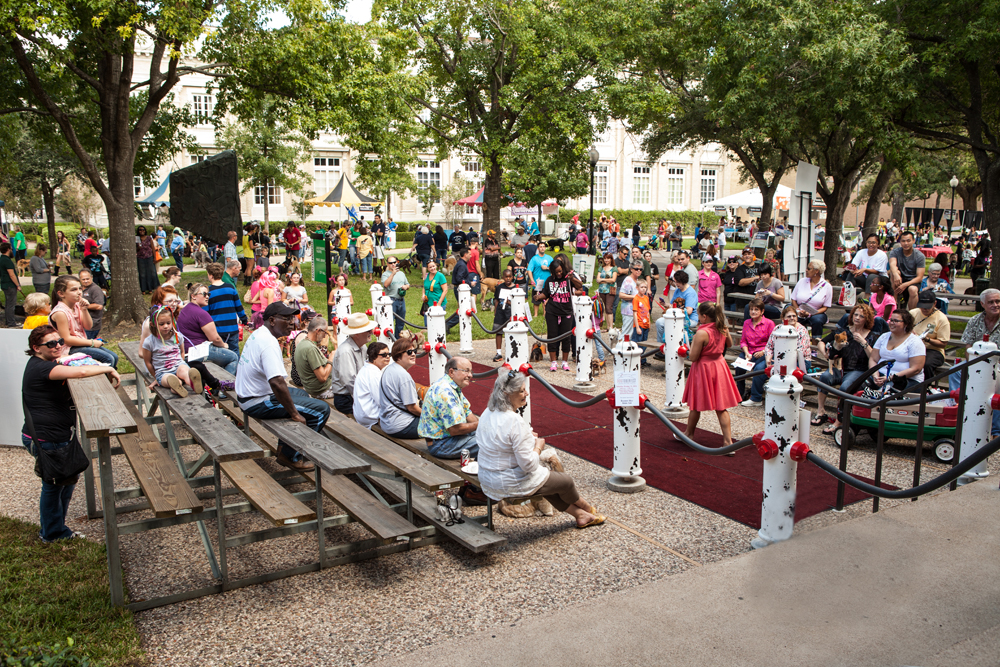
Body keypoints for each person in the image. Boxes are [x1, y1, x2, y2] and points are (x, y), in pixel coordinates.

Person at [22, 325, 121, 542]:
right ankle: (52, 533)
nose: (58, 346)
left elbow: (76, 366)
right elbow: (82, 371)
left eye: (60, 341)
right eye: (51, 344)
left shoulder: (47, 362)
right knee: (54, 485)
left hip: (55, 436)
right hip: (46, 439)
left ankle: (56, 528)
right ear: (36, 348)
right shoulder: (41, 368)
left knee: (65, 481)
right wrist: (107, 368)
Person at [477, 371, 605, 528]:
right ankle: (587, 508)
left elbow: (502, 442)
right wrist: (538, 446)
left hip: (486, 475)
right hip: (506, 480)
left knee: (548, 483)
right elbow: (528, 465)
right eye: (522, 391)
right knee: (565, 482)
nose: (527, 393)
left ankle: (581, 515)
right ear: (506, 393)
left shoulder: (488, 412)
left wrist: (526, 438)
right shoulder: (514, 421)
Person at [236, 302, 329, 472]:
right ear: (272, 320)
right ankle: (291, 457)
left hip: (249, 395)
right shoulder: (268, 344)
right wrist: (294, 414)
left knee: (302, 396)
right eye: (286, 319)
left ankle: (285, 448)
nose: (293, 323)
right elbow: (277, 383)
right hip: (256, 401)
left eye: (293, 318)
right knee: (321, 410)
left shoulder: (259, 334)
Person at [813, 303, 879, 432]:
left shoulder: (872, 336)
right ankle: (821, 411)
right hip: (841, 368)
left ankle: (839, 419)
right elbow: (822, 341)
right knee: (825, 377)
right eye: (856, 314)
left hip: (859, 370)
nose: (857, 318)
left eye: (862, 316)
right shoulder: (844, 332)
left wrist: (863, 343)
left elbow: (874, 357)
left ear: (867, 319)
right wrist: (826, 354)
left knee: (845, 387)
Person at [683, 302, 740, 447]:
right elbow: (730, 344)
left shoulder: (702, 333)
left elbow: (693, 357)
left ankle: (689, 434)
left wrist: (688, 350)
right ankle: (728, 441)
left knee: (695, 404)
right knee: (721, 407)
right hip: (719, 366)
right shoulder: (722, 328)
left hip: (703, 368)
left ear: (704, 316)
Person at [743, 305, 811, 407]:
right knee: (759, 368)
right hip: (779, 357)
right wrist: (768, 358)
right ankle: (755, 398)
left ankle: (787, 401)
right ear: (783, 318)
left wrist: (779, 362)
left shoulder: (802, 330)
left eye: (794, 316)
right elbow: (769, 346)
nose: (792, 318)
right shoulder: (778, 328)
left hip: (799, 359)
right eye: (789, 316)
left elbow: (799, 351)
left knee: (786, 372)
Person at [48, 275, 118, 367]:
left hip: (80, 343)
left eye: (80, 289)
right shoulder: (60, 313)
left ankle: (108, 378)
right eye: (74, 290)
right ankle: (101, 379)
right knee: (108, 358)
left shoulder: (76, 305)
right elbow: (66, 339)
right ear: (61, 294)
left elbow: (88, 326)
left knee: (114, 357)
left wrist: (84, 310)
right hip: (68, 348)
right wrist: (92, 342)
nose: (79, 292)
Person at [418, 356, 479, 458]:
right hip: (441, 444)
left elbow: (467, 413)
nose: (470, 375)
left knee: (490, 437)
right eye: (466, 371)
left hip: (448, 439)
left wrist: (483, 428)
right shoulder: (445, 391)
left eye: (471, 372)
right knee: (489, 443)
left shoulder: (452, 386)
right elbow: (455, 429)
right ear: (451, 372)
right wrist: (483, 424)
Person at [177, 282, 241, 375]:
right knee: (233, 357)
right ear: (193, 296)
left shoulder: (185, 309)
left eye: (208, 294)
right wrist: (224, 345)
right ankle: (223, 386)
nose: (207, 297)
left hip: (186, 352)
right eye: (204, 294)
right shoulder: (201, 313)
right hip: (198, 352)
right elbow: (215, 338)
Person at [142, 306, 202, 397]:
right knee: (170, 379)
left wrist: (181, 364)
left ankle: (193, 383)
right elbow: (148, 362)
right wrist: (155, 378)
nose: (166, 326)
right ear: (153, 324)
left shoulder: (177, 336)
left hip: (178, 366)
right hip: (163, 372)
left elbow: (182, 352)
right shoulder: (149, 342)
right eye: (161, 324)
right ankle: (176, 386)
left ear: (172, 321)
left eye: (168, 323)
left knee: (184, 371)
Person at [535, 257, 582, 371]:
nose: (559, 273)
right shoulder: (550, 280)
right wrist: (538, 296)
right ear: (552, 272)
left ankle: (564, 362)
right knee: (552, 336)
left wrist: (572, 279)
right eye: (557, 272)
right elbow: (545, 294)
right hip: (552, 311)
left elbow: (580, 286)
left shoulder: (568, 279)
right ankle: (554, 361)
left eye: (561, 271)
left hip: (566, 311)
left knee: (566, 336)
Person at [329, 312, 375, 415]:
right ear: (357, 334)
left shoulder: (362, 346)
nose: (371, 332)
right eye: (368, 330)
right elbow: (349, 381)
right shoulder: (346, 351)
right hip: (346, 399)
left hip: (354, 395)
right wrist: (367, 398)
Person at [870, 309, 925, 393]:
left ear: (906, 324)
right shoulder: (883, 337)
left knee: (883, 393)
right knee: (854, 386)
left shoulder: (915, 342)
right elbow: (873, 359)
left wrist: (889, 378)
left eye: (896, 321)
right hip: (880, 376)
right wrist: (875, 375)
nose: (892, 323)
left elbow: (916, 369)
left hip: (905, 379)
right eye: (891, 320)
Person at [378, 338, 423, 438]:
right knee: (444, 425)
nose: (413, 354)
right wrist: (431, 417)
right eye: (409, 352)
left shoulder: (389, 369)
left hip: (387, 423)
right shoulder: (404, 376)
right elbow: (411, 408)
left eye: (414, 351)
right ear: (398, 356)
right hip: (402, 426)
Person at [734, 299, 776, 403]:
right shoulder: (746, 323)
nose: (753, 312)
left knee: (758, 368)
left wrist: (763, 351)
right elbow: (743, 341)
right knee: (739, 366)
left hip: (763, 352)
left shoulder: (769, 324)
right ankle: (739, 393)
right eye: (751, 309)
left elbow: (773, 342)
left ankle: (754, 395)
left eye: (756, 310)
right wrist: (747, 352)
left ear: (762, 311)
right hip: (749, 351)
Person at [205, 263, 247, 356]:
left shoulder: (208, 292)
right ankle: (236, 370)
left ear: (211, 276)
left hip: (217, 329)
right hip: (232, 327)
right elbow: (238, 306)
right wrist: (244, 319)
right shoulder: (230, 287)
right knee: (234, 351)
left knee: (220, 354)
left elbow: (205, 313)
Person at [910, 290, 950, 381]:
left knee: (926, 364)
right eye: (922, 306)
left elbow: (943, 343)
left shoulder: (941, 319)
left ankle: (925, 387)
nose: (925, 309)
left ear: (935, 303)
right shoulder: (913, 313)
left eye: (928, 307)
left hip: (932, 349)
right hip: (912, 346)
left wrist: (928, 339)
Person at [293, 317, 336, 398]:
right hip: (321, 390)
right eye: (325, 333)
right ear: (318, 331)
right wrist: (331, 358)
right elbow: (322, 378)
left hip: (309, 387)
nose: (324, 337)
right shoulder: (310, 348)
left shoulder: (302, 343)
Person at [353, 342, 391, 429]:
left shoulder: (366, 369)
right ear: (374, 357)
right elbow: (381, 401)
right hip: (371, 417)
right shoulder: (374, 374)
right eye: (383, 355)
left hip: (362, 414)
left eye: (389, 354)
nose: (388, 357)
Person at [790, 260, 832, 337]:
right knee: (791, 317)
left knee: (817, 321)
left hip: (817, 312)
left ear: (816, 271)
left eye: (809, 269)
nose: (806, 270)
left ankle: (815, 345)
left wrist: (810, 313)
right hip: (799, 310)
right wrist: (798, 310)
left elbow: (825, 307)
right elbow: (793, 299)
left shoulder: (827, 286)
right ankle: (791, 340)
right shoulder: (801, 281)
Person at [888, 231, 926, 310]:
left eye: (908, 241)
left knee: (913, 289)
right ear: (900, 242)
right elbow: (892, 264)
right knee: (894, 272)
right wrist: (895, 274)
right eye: (903, 241)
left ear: (913, 241)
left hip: (913, 281)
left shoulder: (919, 256)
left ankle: (912, 314)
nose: (906, 243)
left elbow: (919, 277)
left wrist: (905, 285)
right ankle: (893, 305)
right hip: (898, 279)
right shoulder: (895, 252)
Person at [656, 270, 697, 339]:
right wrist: (665, 304)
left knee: (669, 324)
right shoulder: (678, 290)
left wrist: (676, 310)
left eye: (677, 282)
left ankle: (670, 341)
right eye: (675, 282)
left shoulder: (690, 293)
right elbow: (672, 305)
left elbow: (689, 311)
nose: (676, 284)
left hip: (689, 319)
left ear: (683, 281)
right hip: (676, 316)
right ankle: (661, 343)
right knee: (659, 322)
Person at [490, 269, 516, 362]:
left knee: (510, 333)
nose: (508, 279)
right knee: (499, 332)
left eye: (509, 277)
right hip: (501, 312)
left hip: (510, 313)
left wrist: (510, 303)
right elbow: (497, 300)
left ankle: (511, 351)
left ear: (512, 277)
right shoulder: (499, 287)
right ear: (503, 277)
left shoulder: (515, 289)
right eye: (506, 277)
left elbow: (518, 303)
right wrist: (496, 311)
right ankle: (498, 352)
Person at [381, 256, 410, 333]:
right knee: (390, 321)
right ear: (387, 264)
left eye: (394, 262)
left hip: (401, 300)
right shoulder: (385, 274)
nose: (393, 264)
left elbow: (408, 285)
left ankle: (398, 341)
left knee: (401, 323)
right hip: (391, 300)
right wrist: (393, 274)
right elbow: (386, 285)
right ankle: (390, 340)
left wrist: (405, 287)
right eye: (391, 263)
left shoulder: (401, 273)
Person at [78, 269, 105, 340]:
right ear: (79, 279)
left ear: (92, 277)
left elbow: (99, 306)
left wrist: (84, 306)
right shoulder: (79, 288)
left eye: (87, 279)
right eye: (83, 279)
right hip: (81, 323)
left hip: (92, 325)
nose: (86, 281)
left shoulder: (95, 289)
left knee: (88, 345)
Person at [618, 260, 641, 339]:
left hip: (635, 310)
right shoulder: (628, 280)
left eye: (640, 269)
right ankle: (620, 349)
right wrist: (634, 297)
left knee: (632, 333)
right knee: (626, 332)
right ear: (631, 269)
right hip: (628, 310)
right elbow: (621, 294)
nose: (638, 271)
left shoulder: (637, 280)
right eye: (636, 269)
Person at [526, 251, 550, 318]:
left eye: (543, 246)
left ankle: (545, 314)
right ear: (538, 248)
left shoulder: (549, 258)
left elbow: (554, 268)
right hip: (537, 283)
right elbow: (529, 270)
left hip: (546, 283)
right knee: (536, 299)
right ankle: (535, 314)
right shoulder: (534, 259)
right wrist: (532, 280)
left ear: (545, 248)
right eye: (540, 246)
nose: (542, 248)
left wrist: (547, 268)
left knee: (545, 299)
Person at [596, 253, 616, 332]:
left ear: (611, 259)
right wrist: (605, 280)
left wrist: (602, 280)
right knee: (604, 307)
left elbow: (613, 280)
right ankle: (607, 326)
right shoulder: (601, 268)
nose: (606, 260)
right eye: (605, 258)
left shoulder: (614, 268)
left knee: (609, 307)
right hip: (602, 290)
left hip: (611, 289)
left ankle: (611, 326)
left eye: (608, 258)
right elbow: (598, 279)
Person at [135, 226, 158, 293]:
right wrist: (138, 248)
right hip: (140, 257)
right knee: (142, 274)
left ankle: (151, 288)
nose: (141, 231)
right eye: (140, 230)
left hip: (149, 257)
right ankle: (143, 289)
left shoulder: (149, 238)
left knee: (151, 273)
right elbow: (135, 249)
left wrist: (154, 257)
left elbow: (153, 248)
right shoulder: (136, 238)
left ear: (145, 230)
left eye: (143, 230)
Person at [0, 242, 18, 327]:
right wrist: (17, 285)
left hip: (4, 284)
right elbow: (12, 274)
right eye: (11, 249)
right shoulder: (7, 261)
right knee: (11, 304)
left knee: (8, 304)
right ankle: (11, 322)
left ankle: (8, 320)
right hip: (10, 285)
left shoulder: (1, 259)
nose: (11, 250)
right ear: (8, 249)